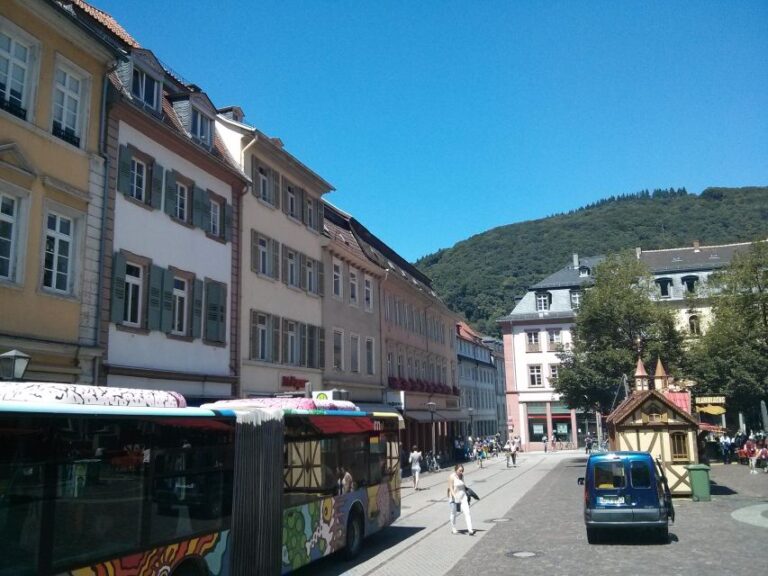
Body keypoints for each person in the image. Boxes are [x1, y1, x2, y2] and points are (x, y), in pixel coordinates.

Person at [448, 464, 475, 535]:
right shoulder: (452, 477)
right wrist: (454, 496)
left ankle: (470, 530)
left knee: (467, 512)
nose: (461, 472)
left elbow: (463, 485)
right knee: (453, 513)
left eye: (462, 471)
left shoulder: (462, 476)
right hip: (454, 498)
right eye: (460, 471)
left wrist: (468, 491)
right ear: (456, 470)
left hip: (463, 497)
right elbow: (450, 487)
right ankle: (453, 528)